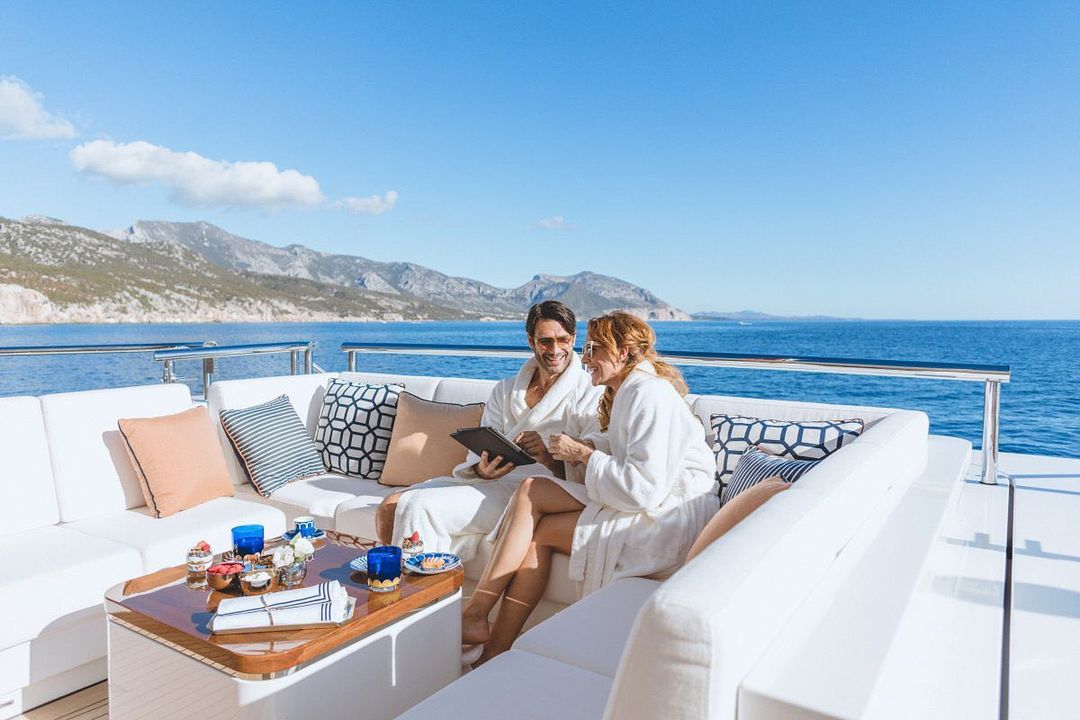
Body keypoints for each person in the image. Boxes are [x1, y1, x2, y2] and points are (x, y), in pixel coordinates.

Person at [461, 312, 718, 664]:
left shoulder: (649, 394)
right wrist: (581, 449)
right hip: (646, 504)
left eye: (593, 349)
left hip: (666, 520)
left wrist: (583, 453)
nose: (584, 359)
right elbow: (620, 447)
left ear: (623, 352)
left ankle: (483, 627)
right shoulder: (627, 391)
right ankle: (490, 639)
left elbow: (644, 489)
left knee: (538, 514)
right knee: (532, 491)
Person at [375, 300, 602, 564]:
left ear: (573, 338)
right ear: (531, 341)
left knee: (417, 506)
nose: (555, 350)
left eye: (562, 340)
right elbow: (476, 457)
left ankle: (421, 595)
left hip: (534, 493)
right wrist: (484, 469)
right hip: (491, 482)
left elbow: (589, 475)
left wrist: (548, 459)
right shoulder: (505, 390)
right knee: (390, 505)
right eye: (545, 341)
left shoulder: (590, 394)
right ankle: (395, 583)